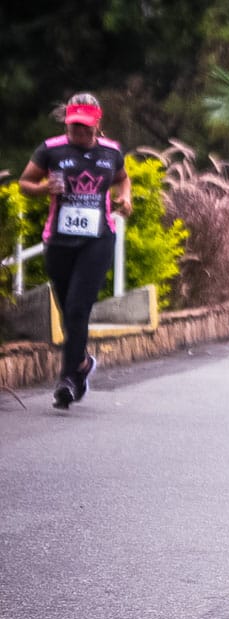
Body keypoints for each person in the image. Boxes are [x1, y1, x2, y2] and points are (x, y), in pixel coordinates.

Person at [18, 93, 132, 410]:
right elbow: (24, 183)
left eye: (85, 127)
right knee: (69, 310)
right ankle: (81, 363)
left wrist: (126, 198)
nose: (79, 133)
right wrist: (43, 189)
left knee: (79, 307)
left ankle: (68, 379)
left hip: (97, 239)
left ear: (97, 123)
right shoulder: (51, 149)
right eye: (73, 126)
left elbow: (123, 179)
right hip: (58, 240)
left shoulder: (111, 152)